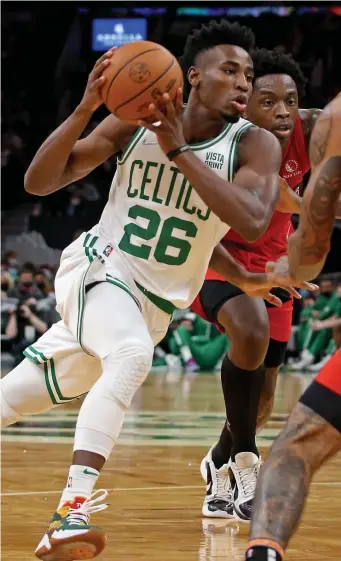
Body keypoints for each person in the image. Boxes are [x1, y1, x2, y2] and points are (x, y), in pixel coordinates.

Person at [0, 20, 287, 561]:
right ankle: (69, 514)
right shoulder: (134, 123)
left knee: (14, 398)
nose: (244, 82)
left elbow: (246, 222)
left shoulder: (256, 145)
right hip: (98, 269)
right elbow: (38, 183)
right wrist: (87, 108)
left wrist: (248, 277)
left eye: (249, 73)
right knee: (130, 356)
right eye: (230, 71)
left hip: (152, 305)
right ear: (193, 77)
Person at [191, 48, 320, 521]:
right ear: (246, 104)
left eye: (290, 100)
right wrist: (311, 209)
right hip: (217, 258)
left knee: (263, 397)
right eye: (268, 101)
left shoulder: (313, 128)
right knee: (249, 331)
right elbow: (281, 200)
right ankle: (248, 461)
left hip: (276, 267)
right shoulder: (226, 138)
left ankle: (219, 461)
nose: (282, 111)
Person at [245, 92, 341, 561]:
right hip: (231, 266)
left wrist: (293, 262)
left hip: (274, 267)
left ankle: (263, 551)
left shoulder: (335, 119)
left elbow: (312, 247)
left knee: (294, 446)